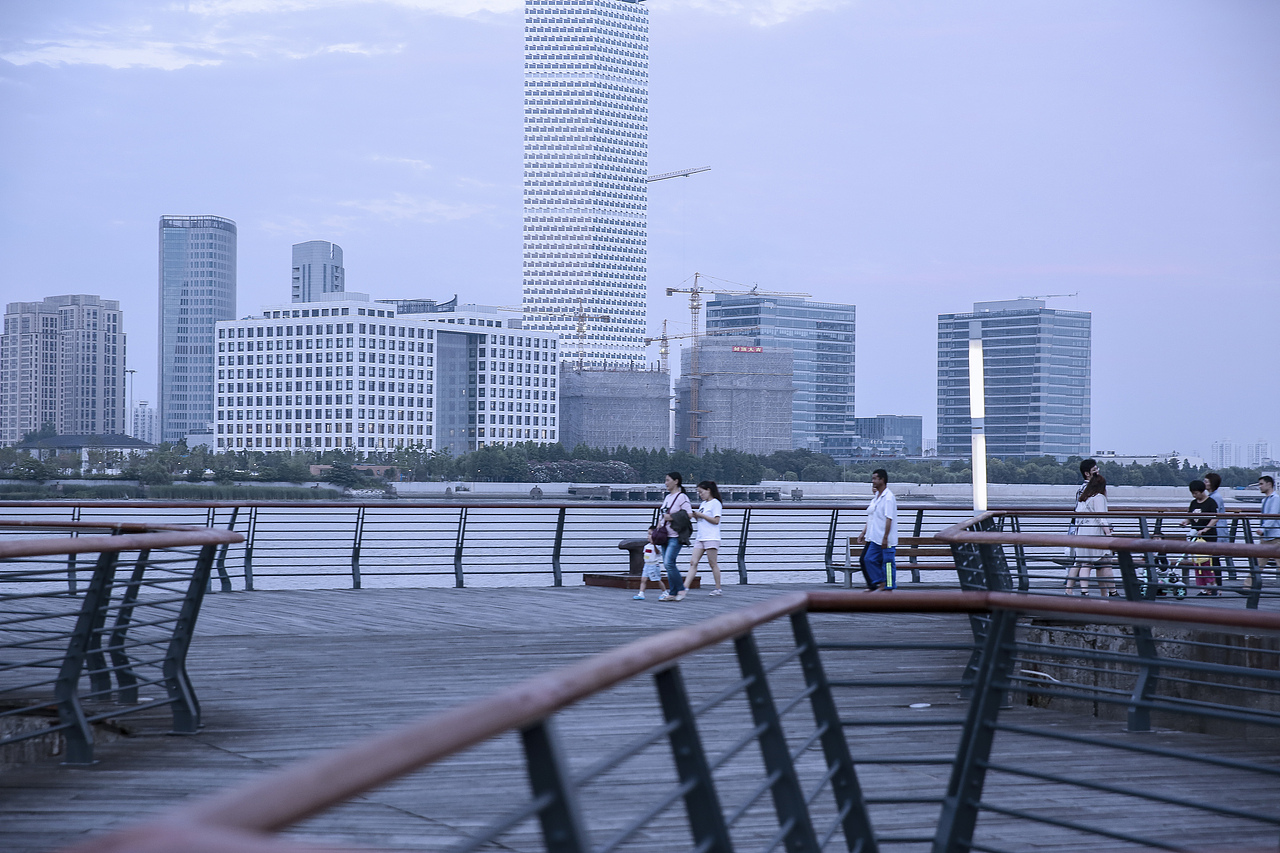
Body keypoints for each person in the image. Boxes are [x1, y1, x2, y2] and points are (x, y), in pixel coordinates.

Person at [1065, 474, 1114, 596]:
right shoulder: (1099, 498)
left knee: (1083, 563)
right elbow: (1101, 518)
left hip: (1081, 532)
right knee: (1104, 562)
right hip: (1094, 533)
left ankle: (1083, 591)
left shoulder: (1083, 498)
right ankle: (1111, 592)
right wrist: (1108, 533)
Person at [857, 469, 898, 591]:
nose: (873, 481)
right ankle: (880, 582)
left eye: (875, 478)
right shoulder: (877, 496)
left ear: (882, 480)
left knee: (888, 563)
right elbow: (872, 517)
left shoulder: (888, 498)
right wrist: (864, 532)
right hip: (875, 538)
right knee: (868, 559)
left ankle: (889, 586)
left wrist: (885, 537)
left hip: (887, 539)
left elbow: (889, 519)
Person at [1180, 479, 1220, 595]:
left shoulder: (1211, 502)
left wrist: (1206, 529)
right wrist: (1185, 522)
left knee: (1207, 563)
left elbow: (1215, 517)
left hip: (1208, 537)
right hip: (1196, 537)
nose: (1194, 495)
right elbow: (1190, 516)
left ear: (1202, 491)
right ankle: (1203, 588)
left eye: (1196, 493)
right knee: (1197, 563)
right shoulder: (1193, 503)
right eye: (1192, 493)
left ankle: (1213, 586)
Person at [684, 480, 724, 595]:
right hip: (701, 537)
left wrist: (701, 515)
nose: (700, 495)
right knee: (693, 562)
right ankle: (685, 587)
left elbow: (716, 520)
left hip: (711, 537)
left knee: (712, 563)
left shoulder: (715, 503)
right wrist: (696, 516)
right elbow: (702, 520)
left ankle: (718, 588)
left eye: (701, 492)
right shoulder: (703, 504)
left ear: (708, 490)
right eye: (699, 493)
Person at [657, 472, 692, 602]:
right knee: (668, 565)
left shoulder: (682, 497)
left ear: (676, 481)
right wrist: (659, 524)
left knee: (669, 562)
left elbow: (689, 514)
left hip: (676, 535)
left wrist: (671, 517)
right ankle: (672, 592)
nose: (666, 483)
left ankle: (681, 589)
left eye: (668, 480)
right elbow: (662, 513)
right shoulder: (667, 497)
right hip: (665, 535)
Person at [1203, 472, 1231, 580]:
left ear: (1212, 484)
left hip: (1217, 531)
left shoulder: (1215, 498)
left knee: (1214, 559)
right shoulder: (1213, 496)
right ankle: (1214, 585)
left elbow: (1215, 516)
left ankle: (1216, 585)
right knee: (1213, 559)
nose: (1204, 484)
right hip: (1217, 530)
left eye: (1206, 482)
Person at [633, 529, 667, 600]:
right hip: (647, 565)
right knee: (643, 579)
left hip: (654, 565)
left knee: (657, 579)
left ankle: (665, 592)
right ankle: (641, 594)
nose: (649, 536)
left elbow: (658, 553)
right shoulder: (646, 546)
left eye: (651, 534)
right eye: (648, 534)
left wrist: (654, 544)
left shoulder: (658, 546)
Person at [1258, 476, 1279, 568]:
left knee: (1260, 562)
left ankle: (1249, 582)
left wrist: (1263, 528)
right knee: (1259, 562)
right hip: (1267, 536)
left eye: (1261, 484)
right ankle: (1249, 582)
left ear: (1269, 484)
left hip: (1275, 536)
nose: (1259, 486)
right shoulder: (1265, 500)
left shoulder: (1275, 498)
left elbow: (1272, 516)